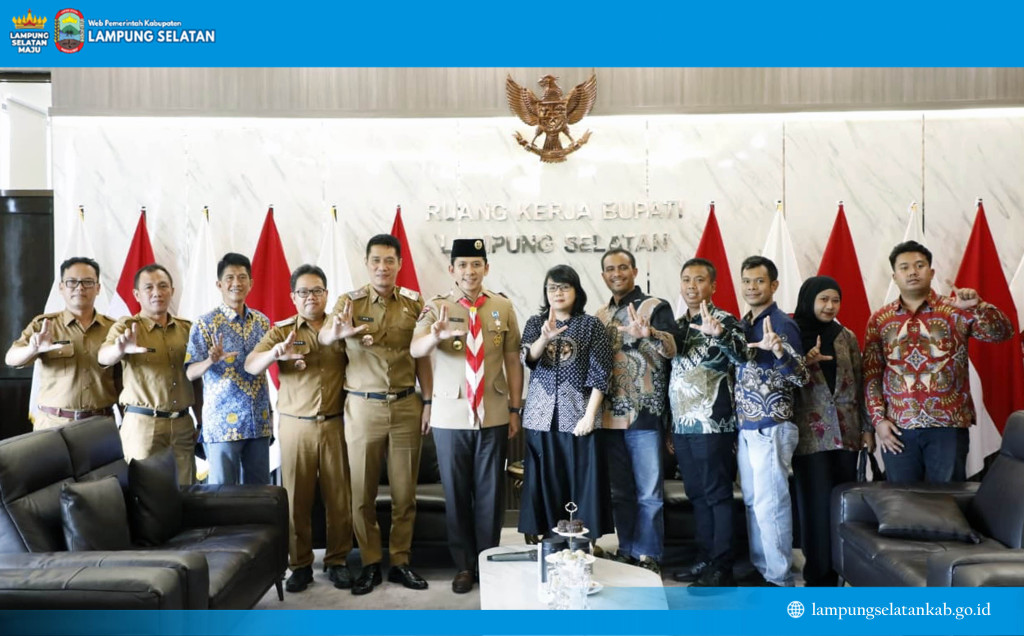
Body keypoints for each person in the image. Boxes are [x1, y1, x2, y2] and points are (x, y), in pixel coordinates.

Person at [320, 234, 432, 595]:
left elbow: (422, 356)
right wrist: (336, 332)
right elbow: (324, 337)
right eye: (376, 261)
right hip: (362, 408)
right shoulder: (348, 302)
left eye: (389, 261)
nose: (382, 267)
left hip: (406, 405)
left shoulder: (414, 303)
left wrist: (428, 402)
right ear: (367, 264)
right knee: (362, 493)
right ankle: (370, 562)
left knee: (404, 494)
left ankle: (400, 562)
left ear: (399, 264)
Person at [410, 238, 524, 594]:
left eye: (476, 264)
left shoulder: (502, 307)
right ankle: (463, 566)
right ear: (452, 270)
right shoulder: (437, 307)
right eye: (462, 265)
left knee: (490, 494)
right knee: (457, 493)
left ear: (486, 268)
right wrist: (434, 336)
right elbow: (416, 348)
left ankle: (486, 561)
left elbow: (512, 359)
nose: (469, 271)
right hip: (451, 414)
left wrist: (515, 408)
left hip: (493, 412)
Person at [863, 240, 1013, 483]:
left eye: (919, 265)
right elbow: (871, 374)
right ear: (894, 276)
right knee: (902, 500)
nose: (912, 272)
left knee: (946, 500)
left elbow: (1003, 333)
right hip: (899, 428)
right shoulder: (880, 319)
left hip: (948, 426)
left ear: (931, 272)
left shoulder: (956, 309)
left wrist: (978, 307)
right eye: (904, 267)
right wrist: (878, 420)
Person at [245, 264, 353, 593]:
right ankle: (301, 565)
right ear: (293, 297)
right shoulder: (281, 331)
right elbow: (251, 365)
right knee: (296, 500)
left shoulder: (340, 328)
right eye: (304, 292)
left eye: (317, 291)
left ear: (326, 294)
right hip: (295, 427)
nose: (311, 297)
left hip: (336, 424)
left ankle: (337, 561)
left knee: (339, 499)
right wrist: (274, 353)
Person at [594, 249, 679, 573]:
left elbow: (673, 349)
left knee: (648, 493)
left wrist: (651, 333)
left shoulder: (655, 307)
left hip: (645, 414)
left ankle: (649, 555)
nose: (616, 273)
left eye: (622, 267)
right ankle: (627, 550)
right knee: (620, 492)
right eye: (610, 269)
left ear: (634, 271)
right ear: (603, 275)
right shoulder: (600, 315)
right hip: (608, 417)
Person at [518, 265, 614, 543]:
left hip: (579, 418)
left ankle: (581, 544)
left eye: (564, 287)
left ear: (576, 291)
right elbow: (528, 359)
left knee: (581, 482)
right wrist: (544, 338)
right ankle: (550, 540)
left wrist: (589, 415)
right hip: (540, 418)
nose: (557, 293)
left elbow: (600, 373)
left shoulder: (591, 325)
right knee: (546, 481)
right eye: (552, 288)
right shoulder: (536, 323)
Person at [667, 258, 747, 587]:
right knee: (696, 495)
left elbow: (744, 357)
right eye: (686, 279)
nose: (691, 286)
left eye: (699, 279)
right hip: (682, 426)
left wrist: (721, 335)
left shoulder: (725, 320)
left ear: (713, 286)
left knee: (717, 495)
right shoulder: (675, 326)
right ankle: (704, 559)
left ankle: (722, 566)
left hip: (713, 424)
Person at [791, 275, 874, 587]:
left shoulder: (845, 336)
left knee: (842, 505)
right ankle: (818, 575)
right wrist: (804, 362)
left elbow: (861, 381)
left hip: (846, 434)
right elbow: (781, 381)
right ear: (809, 300)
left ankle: (842, 571)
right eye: (823, 299)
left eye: (835, 300)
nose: (830, 306)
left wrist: (866, 428)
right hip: (809, 436)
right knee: (814, 505)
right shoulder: (792, 333)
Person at [733, 255, 808, 587]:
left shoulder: (781, 323)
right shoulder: (743, 323)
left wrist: (779, 351)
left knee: (771, 503)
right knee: (753, 502)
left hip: (772, 425)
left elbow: (801, 377)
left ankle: (779, 579)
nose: (752, 287)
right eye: (747, 281)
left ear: (774, 285)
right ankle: (762, 567)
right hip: (747, 426)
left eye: (759, 281)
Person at [98, 264, 198, 485]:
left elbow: (197, 379)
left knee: (186, 491)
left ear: (172, 290)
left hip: (182, 424)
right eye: (149, 287)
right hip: (143, 424)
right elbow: (104, 357)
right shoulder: (127, 327)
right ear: (137, 294)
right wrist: (120, 349)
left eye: (163, 286)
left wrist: (200, 422)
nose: (157, 292)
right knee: (142, 490)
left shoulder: (187, 329)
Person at [185, 252, 272, 485]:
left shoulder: (262, 322)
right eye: (230, 278)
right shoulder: (205, 323)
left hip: (259, 421)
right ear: (219, 284)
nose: (236, 283)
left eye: (242, 277)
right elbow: (190, 373)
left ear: (251, 283)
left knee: (260, 493)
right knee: (223, 494)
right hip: (222, 424)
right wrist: (210, 361)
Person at [5, 257, 117, 429]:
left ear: (98, 288)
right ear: (61, 287)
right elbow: (11, 359)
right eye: (72, 282)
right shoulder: (43, 325)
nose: (80, 287)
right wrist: (32, 349)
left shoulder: (114, 329)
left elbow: (123, 381)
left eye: (87, 282)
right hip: (53, 423)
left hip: (100, 425)